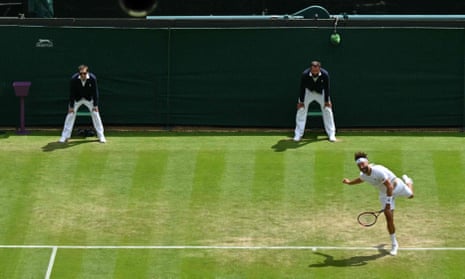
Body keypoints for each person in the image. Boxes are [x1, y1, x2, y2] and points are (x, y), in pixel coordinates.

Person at [342, 151, 414, 256]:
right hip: (384, 194)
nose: (362, 167)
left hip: (397, 186)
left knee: (411, 195)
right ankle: (394, 244)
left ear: (367, 163)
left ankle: (408, 181)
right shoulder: (364, 175)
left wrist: (388, 203)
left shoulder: (378, 171)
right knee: (389, 218)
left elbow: (389, 186)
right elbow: (361, 179)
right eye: (359, 165)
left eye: (363, 164)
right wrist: (349, 183)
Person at [59, 65, 106, 143]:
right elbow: (72, 93)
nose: (83, 75)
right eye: (81, 73)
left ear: (87, 72)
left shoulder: (92, 78)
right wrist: (71, 106)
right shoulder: (74, 79)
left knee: (95, 113)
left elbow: (95, 92)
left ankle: (101, 135)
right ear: (79, 73)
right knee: (70, 114)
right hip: (77, 99)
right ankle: (65, 136)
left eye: (84, 73)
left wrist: (95, 105)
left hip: (88, 99)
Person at [293, 60, 337, 142]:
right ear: (311, 69)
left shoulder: (325, 74)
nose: (315, 72)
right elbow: (302, 88)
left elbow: (327, 88)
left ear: (319, 69)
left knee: (328, 110)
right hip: (308, 92)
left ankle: (331, 134)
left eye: (316, 70)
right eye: (313, 70)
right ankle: (298, 134)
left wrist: (327, 101)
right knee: (301, 110)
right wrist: (301, 102)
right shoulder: (305, 74)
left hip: (321, 92)